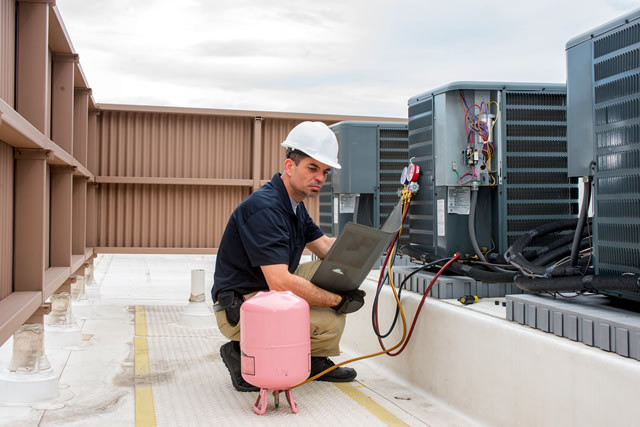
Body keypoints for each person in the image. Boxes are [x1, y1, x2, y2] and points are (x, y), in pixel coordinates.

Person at [212, 121, 366, 392]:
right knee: (330, 320)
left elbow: (325, 249)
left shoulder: (293, 205)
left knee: (336, 274)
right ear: (289, 166)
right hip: (240, 307)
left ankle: (311, 359)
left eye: (325, 171)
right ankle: (240, 351)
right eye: (312, 168)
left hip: (264, 291)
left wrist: (365, 251)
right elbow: (280, 282)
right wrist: (337, 301)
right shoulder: (265, 209)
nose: (319, 177)